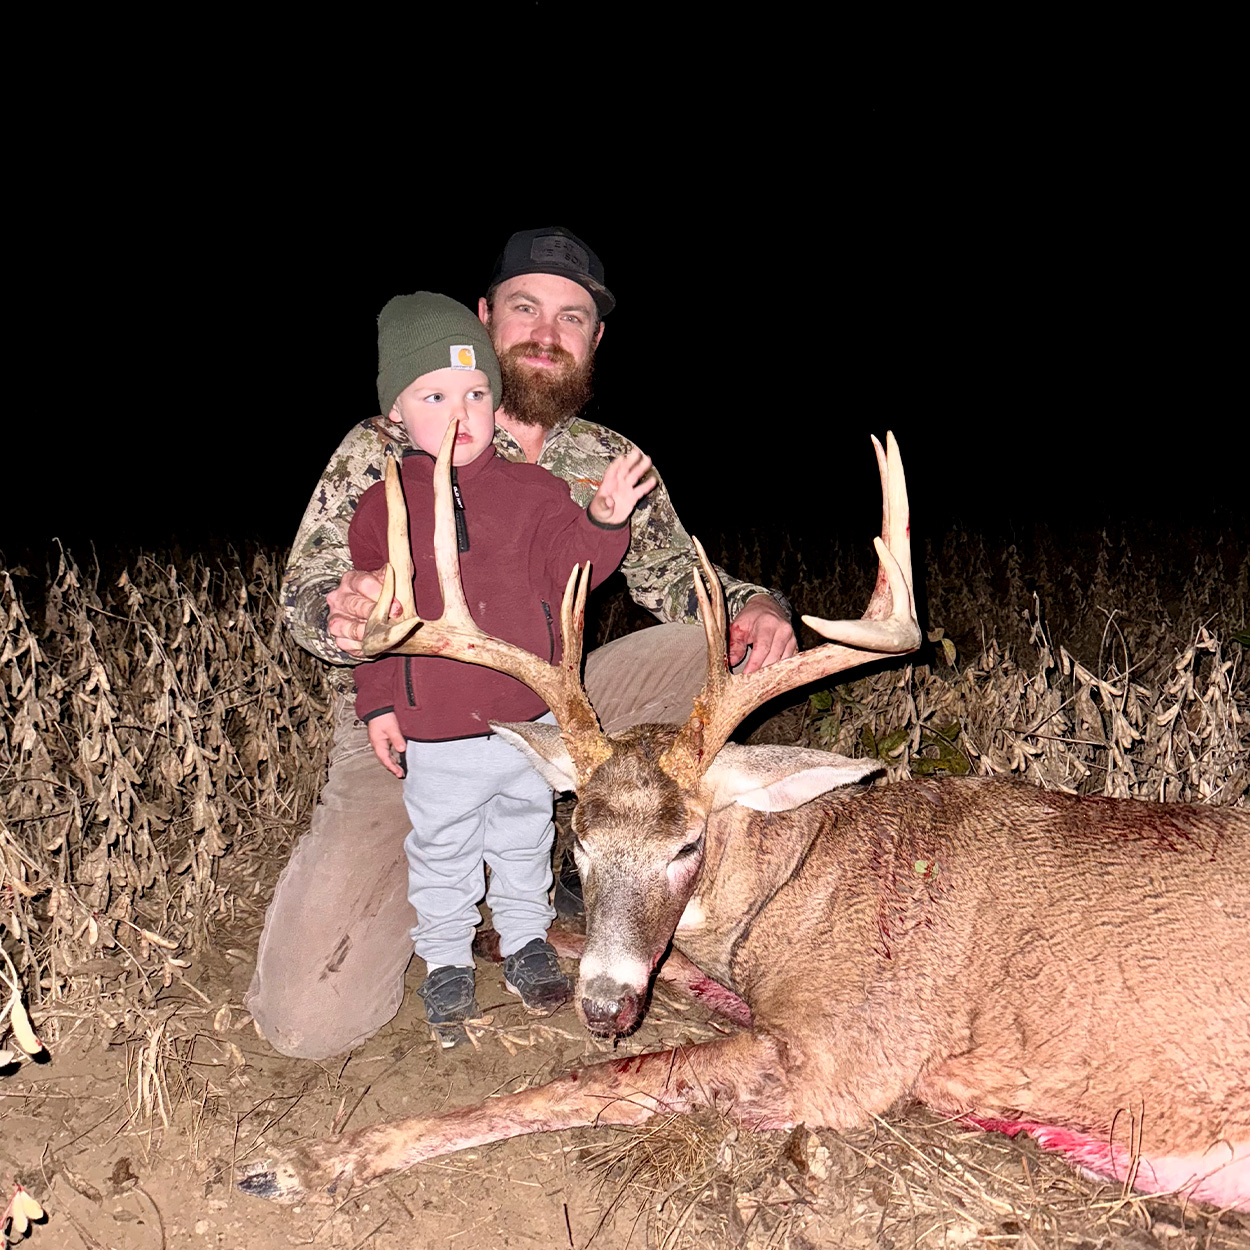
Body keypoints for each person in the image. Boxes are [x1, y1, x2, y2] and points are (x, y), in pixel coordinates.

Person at [247, 227, 797, 1060]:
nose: (547, 331)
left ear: (594, 339)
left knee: (714, 648)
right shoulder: (393, 440)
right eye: (525, 308)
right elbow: (308, 590)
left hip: (557, 709)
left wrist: (760, 606)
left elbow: (683, 584)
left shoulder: (605, 459)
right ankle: (468, 892)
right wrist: (345, 609)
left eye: (571, 316)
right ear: (484, 318)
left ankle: (649, 869)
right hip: (406, 724)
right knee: (308, 1024)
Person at [350, 292, 652, 1046]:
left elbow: (572, 567)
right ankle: (446, 958)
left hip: (529, 722)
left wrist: (604, 522)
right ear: (397, 412)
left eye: (477, 393)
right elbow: (370, 626)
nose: (462, 412)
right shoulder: (379, 507)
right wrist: (379, 704)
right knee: (442, 846)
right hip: (438, 729)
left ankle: (525, 944)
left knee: (522, 837)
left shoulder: (536, 491)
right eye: (436, 395)